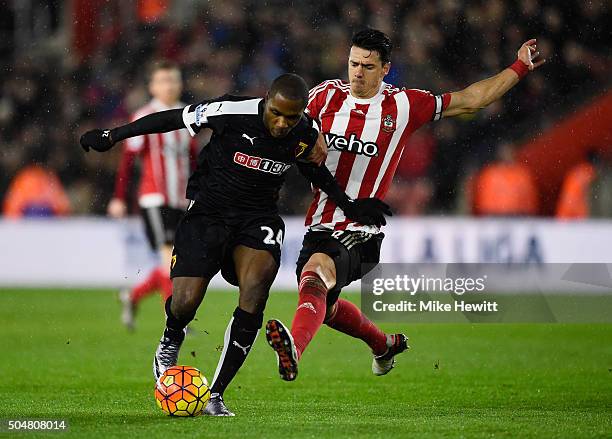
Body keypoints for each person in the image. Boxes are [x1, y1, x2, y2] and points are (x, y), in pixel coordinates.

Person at [80, 73, 391, 416]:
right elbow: (172, 118)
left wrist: (348, 206)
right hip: (208, 214)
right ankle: (171, 337)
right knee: (184, 302)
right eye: (277, 113)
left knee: (255, 293)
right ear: (267, 101)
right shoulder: (232, 110)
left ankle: (216, 394)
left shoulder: (304, 133)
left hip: (257, 220)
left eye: (292, 117)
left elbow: (313, 170)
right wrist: (113, 135)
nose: (282, 123)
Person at [266, 28, 546, 381]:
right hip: (320, 222)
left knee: (317, 272)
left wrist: (518, 67)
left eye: (368, 66)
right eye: (353, 64)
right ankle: (383, 345)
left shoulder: (402, 105)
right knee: (327, 304)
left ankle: (294, 351)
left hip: (362, 230)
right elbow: (280, 122)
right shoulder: (324, 96)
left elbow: (471, 99)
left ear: (385, 69)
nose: (357, 72)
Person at [109, 60, 198, 331]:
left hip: (182, 199)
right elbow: (127, 160)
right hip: (154, 198)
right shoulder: (143, 117)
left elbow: (193, 159)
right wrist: (119, 197)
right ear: (152, 86)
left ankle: (133, 295)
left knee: (176, 261)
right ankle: (174, 321)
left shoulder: (188, 116)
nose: (169, 85)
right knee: (168, 256)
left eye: (173, 80)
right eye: (163, 81)